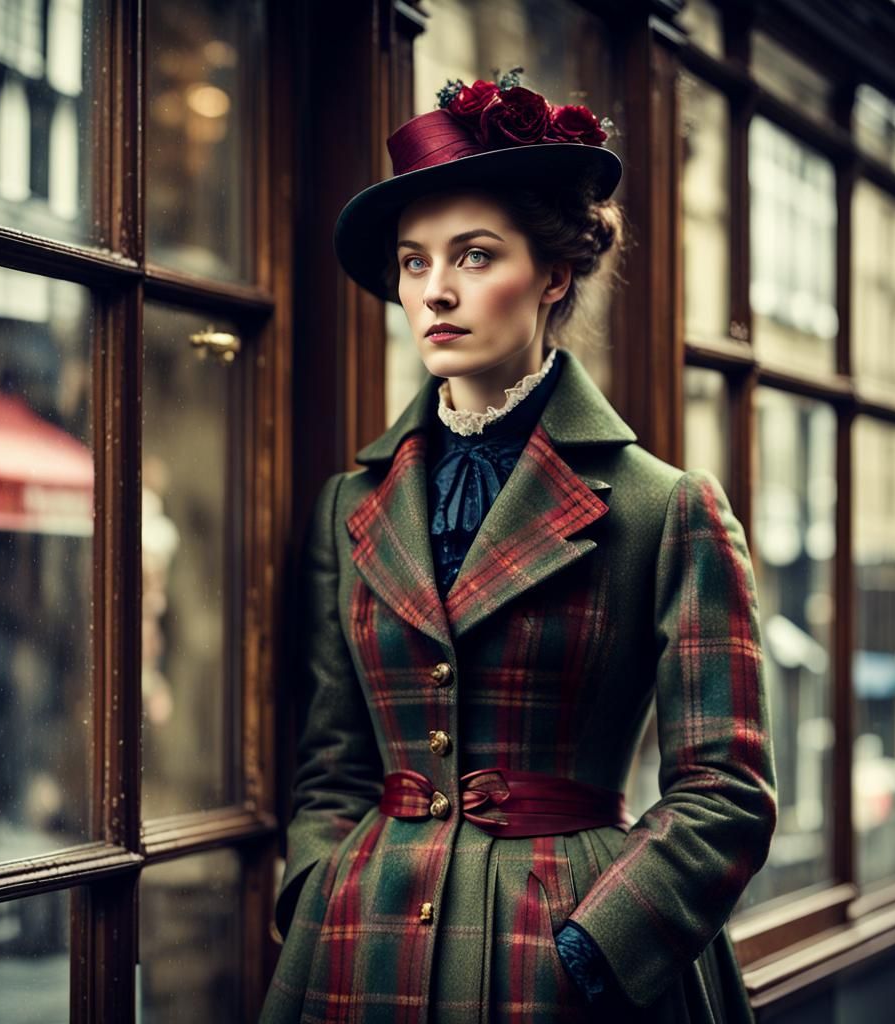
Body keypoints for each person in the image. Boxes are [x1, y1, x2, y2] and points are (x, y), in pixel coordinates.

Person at [259, 68, 777, 1024]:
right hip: (359, 954)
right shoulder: (351, 504)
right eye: (414, 263)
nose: (436, 292)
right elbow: (334, 764)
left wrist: (597, 948)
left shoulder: (667, 508)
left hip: (570, 960)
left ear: (553, 274)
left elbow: (728, 791)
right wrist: (316, 890)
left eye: (474, 255)